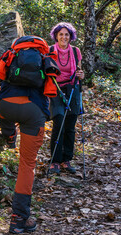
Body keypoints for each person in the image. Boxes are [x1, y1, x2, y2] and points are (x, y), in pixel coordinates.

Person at [0, 36, 58, 234]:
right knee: (27, 165)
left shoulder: (8, 58)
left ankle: (9, 135)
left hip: (5, 105)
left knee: (5, 113)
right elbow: (52, 94)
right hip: (33, 111)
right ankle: (19, 219)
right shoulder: (45, 60)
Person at [48, 22, 85, 175]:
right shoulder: (50, 50)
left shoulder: (76, 52)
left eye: (66, 34)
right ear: (56, 35)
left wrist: (82, 75)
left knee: (70, 125)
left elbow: (80, 71)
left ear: (71, 37)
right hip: (56, 89)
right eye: (61, 34)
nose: (63, 37)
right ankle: (55, 161)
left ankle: (66, 160)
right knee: (58, 122)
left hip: (72, 89)